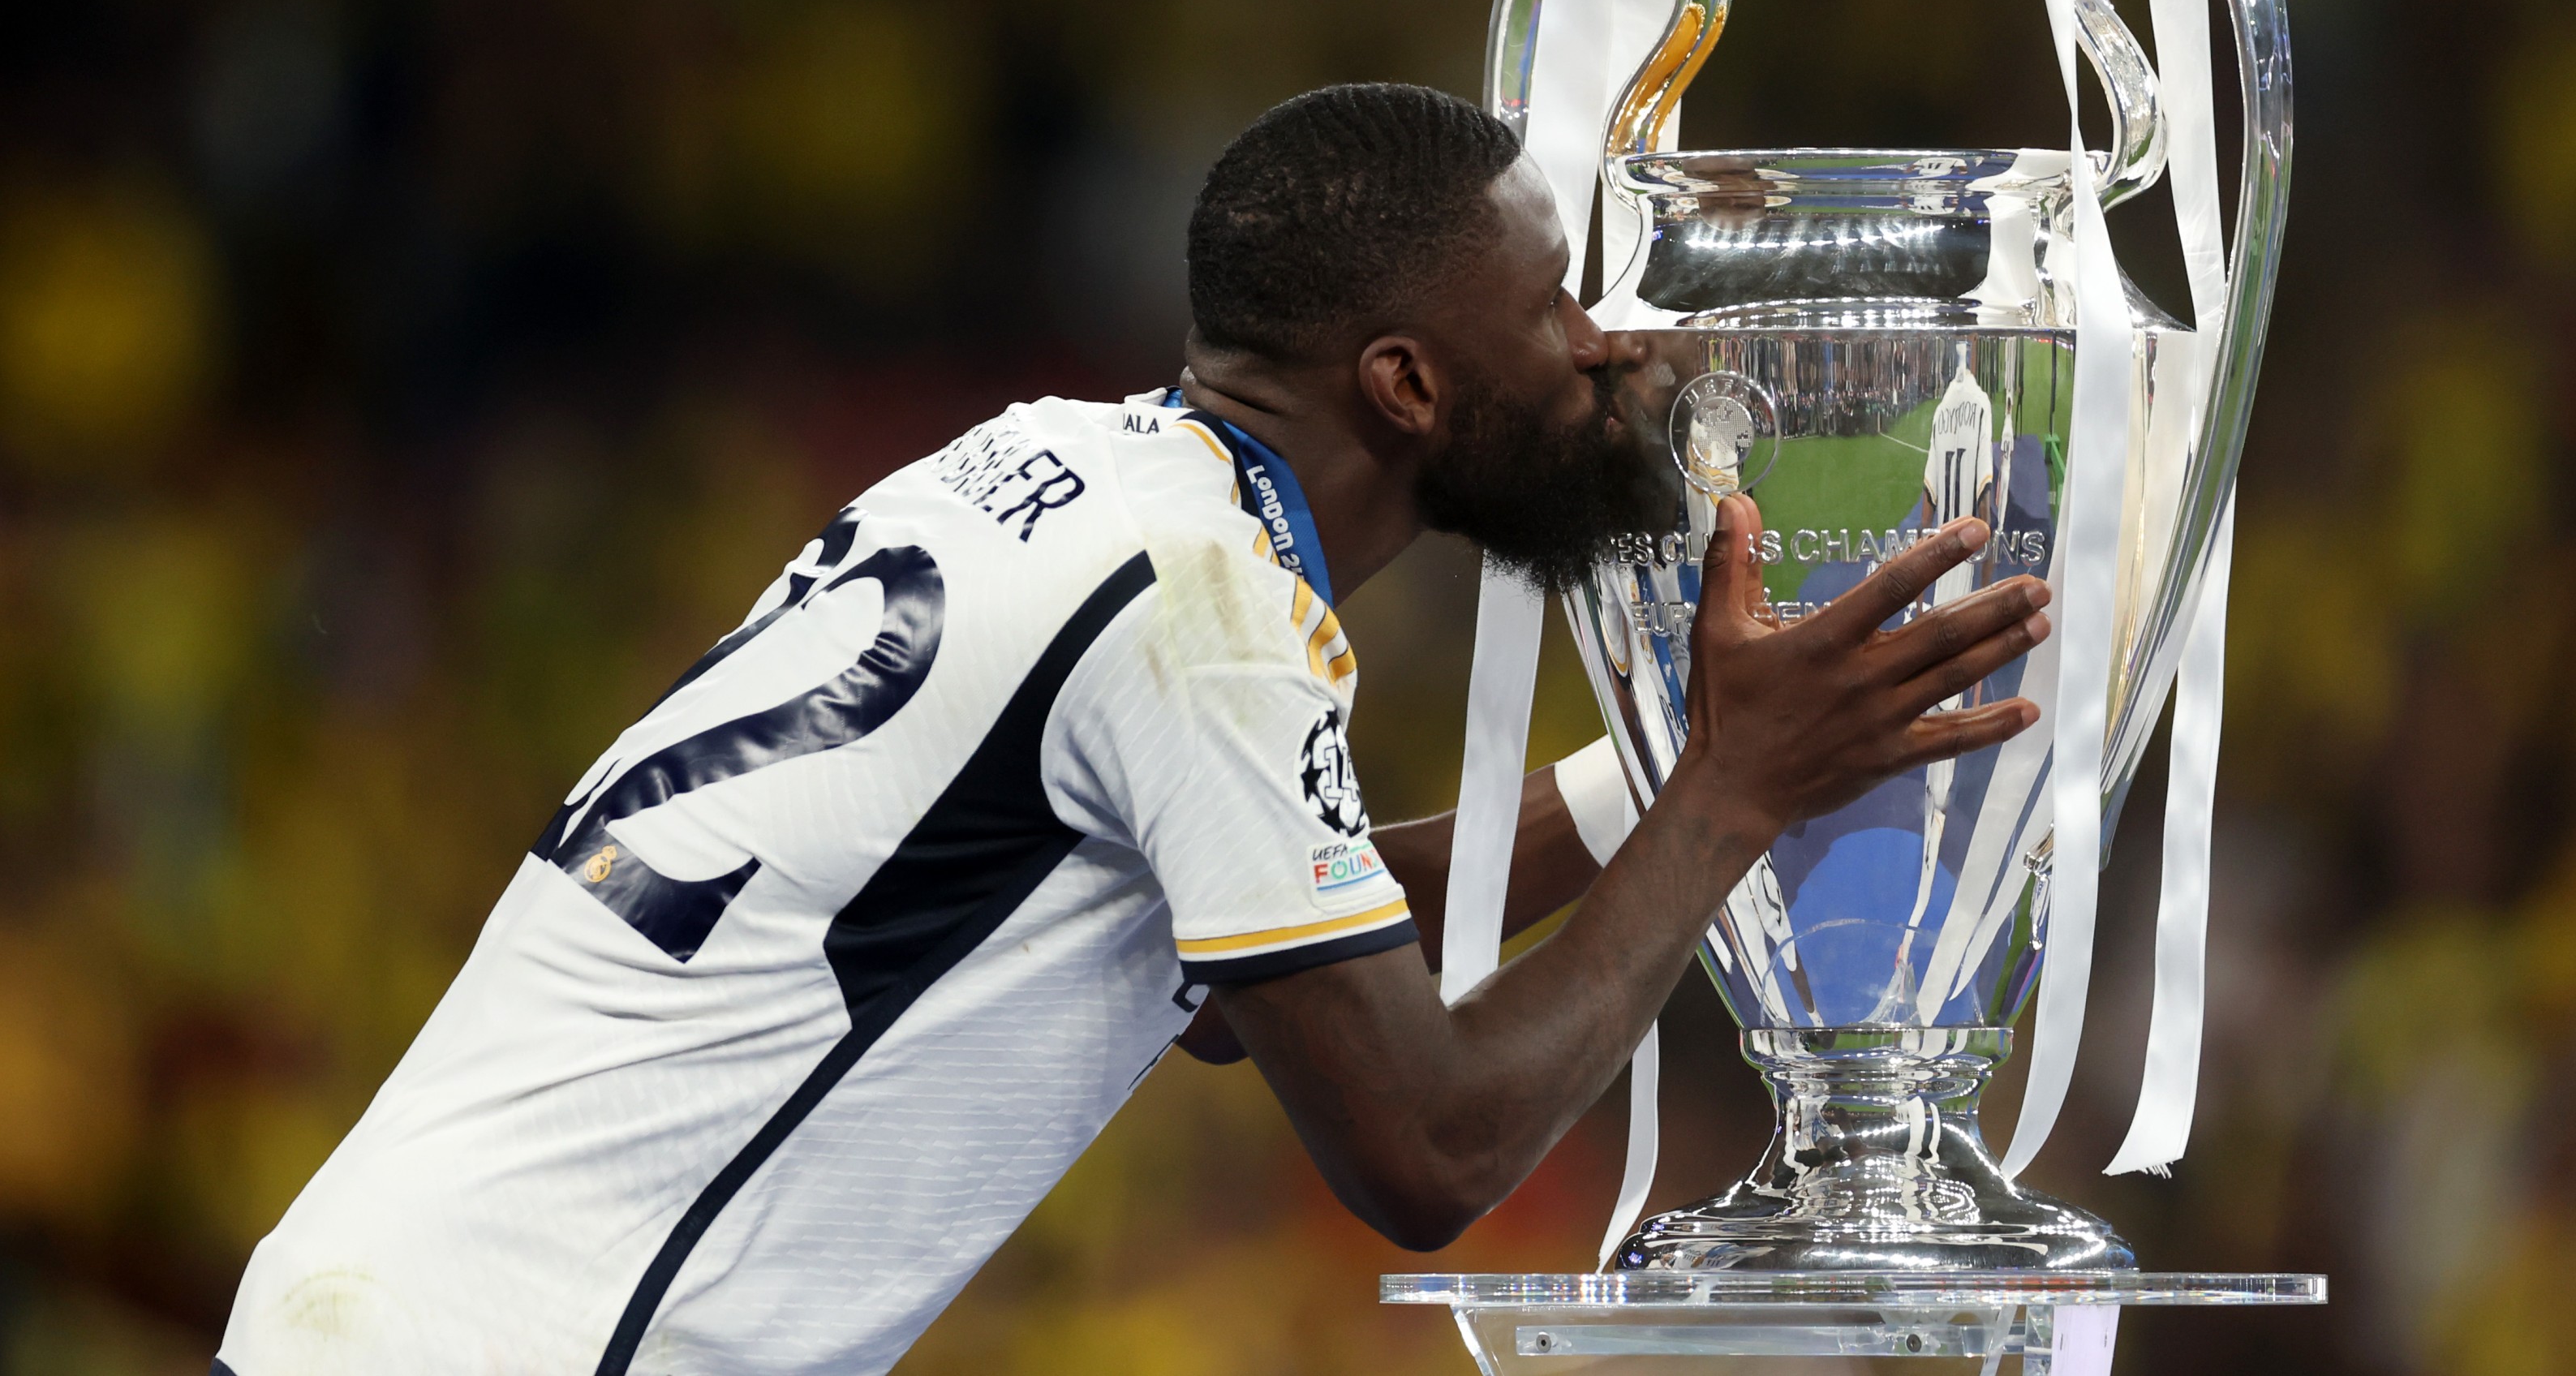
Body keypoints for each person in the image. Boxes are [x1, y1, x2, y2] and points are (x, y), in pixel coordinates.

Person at [211, 84, 2050, 1376]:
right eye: (1549, 304)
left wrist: (1660, 766)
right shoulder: (1204, 602)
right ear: (1404, 385)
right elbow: (1426, 1149)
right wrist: (1730, 796)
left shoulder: (1047, 475)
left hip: (388, 1311)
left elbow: (1264, 976)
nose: (1602, 347)